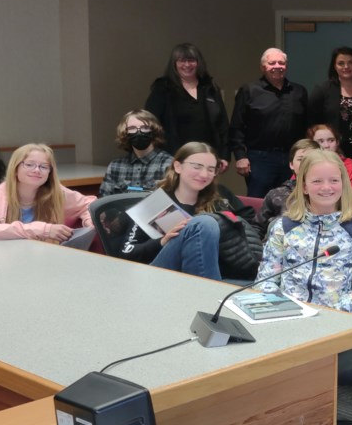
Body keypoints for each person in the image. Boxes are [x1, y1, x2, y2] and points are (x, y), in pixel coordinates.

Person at [255, 149, 352, 314]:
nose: (326, 187)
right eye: (317, 181)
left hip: (337, 319)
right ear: (304, 187)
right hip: (286, 315)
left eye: (334, 180)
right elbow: (265, 281)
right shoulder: (283, 227)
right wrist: (285, 309)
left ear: (343, 184)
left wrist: (328, 315)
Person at [113, 142, 248, 281]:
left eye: (211, 169)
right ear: (178, 166)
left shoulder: (219, 202)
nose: (204, 174)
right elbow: (126, 253)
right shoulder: (155, 204)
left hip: (208, 271)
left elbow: (247, 221)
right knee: (204, 223)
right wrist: (163, 241)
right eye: (197, 167)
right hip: (158, 275)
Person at [230, 47, 309, 197]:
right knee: (259, 201)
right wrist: (240, 156)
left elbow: (307, 126)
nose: (277, 66)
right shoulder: (249, 90)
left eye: (281, 63)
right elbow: (237, 126)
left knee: (292, 200)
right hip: (260, 159)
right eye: (272, 63)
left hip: (291, 158)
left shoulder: (299, 92)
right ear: (263, 67)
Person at [0, 144, 95, 242]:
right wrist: (42, 229)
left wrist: (90, 222)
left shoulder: (55, 191)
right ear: (15, 169)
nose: (37, 170)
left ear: (50, 173)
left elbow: (89, 205)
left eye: (44, 166)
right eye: (29, 164)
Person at [145, 43, 230, 169]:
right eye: (182, 61)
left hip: (207, 157)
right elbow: (150, 123)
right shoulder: (163, 88)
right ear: (174, 64)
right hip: (174, 158)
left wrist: (224, 156)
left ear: (198, 62)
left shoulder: (209, 87)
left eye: (191, 60)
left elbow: (222, 124)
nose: (187, 65)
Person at [308, 46, 352, 158]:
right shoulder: (322, 90)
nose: (346, 66)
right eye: (341, 63)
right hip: (331, 153)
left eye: (351, 62)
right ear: (334, 66)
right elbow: (312, 125)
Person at [98, 109, 174, 197]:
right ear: (125, 133)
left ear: (154, 131)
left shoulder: (168, 164)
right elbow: (103, 201)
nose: (139, 132)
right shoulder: (115, 166)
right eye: (132, 128)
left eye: (144, 128)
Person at [256, 139, 319, 237]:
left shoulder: (327, 194)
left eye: (311, 159)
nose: (305, 163)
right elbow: (257, 228)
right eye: (300, 159)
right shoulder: (276, 194)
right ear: (291, 164)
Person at [309, 123, 352, 192]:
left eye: (331, 140)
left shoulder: (351, 167)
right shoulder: (306, 165)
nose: (326, 145)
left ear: (337, 142)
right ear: (311, 144)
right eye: (320, 141)